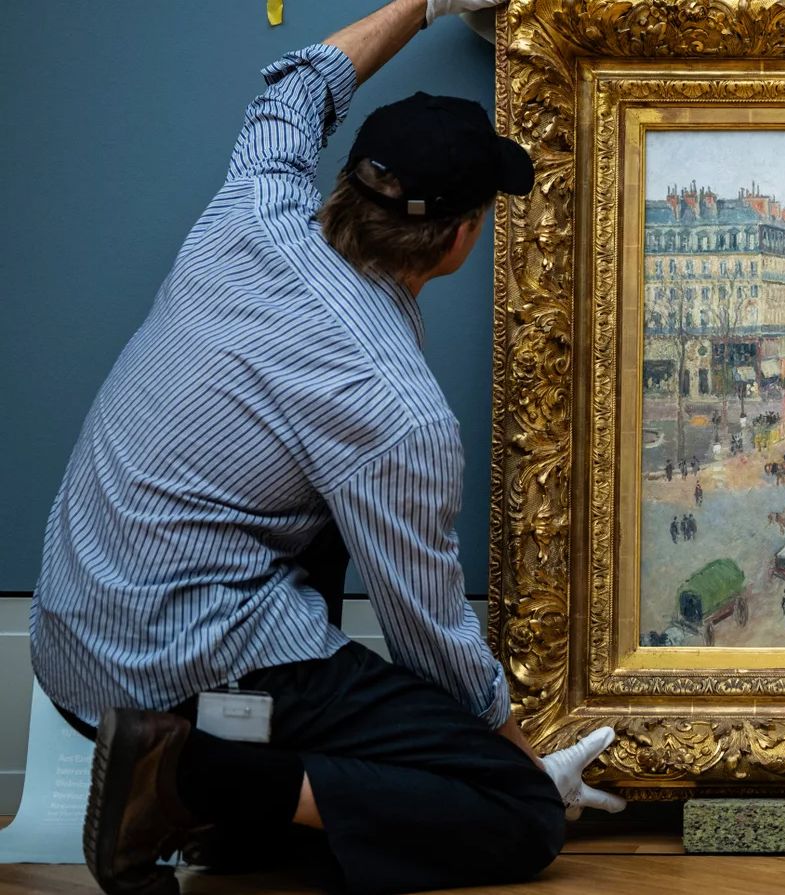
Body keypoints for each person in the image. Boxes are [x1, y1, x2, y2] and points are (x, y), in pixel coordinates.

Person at [28, 2, 626, 894]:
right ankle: (190, 777)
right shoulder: (393, 404)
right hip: (168, 669)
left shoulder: (253, 207)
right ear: (464, 237)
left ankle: (234, 801)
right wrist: (517, 759)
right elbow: (430, 637)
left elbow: (301, 81)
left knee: (319, 499)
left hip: (72, 636)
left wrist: (422, 4)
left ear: (350, 180)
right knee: (520, 813)